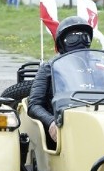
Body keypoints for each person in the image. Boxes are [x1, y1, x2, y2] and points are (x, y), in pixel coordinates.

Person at [27, 16, 94, 148]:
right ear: (62, 43)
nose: (80, 41)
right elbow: (34, 104)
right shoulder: (49, 67)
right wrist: (51, 122)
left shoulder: (100, 66)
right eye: (73, 38)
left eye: (85, 37)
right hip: (62, 125)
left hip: (97, 121)